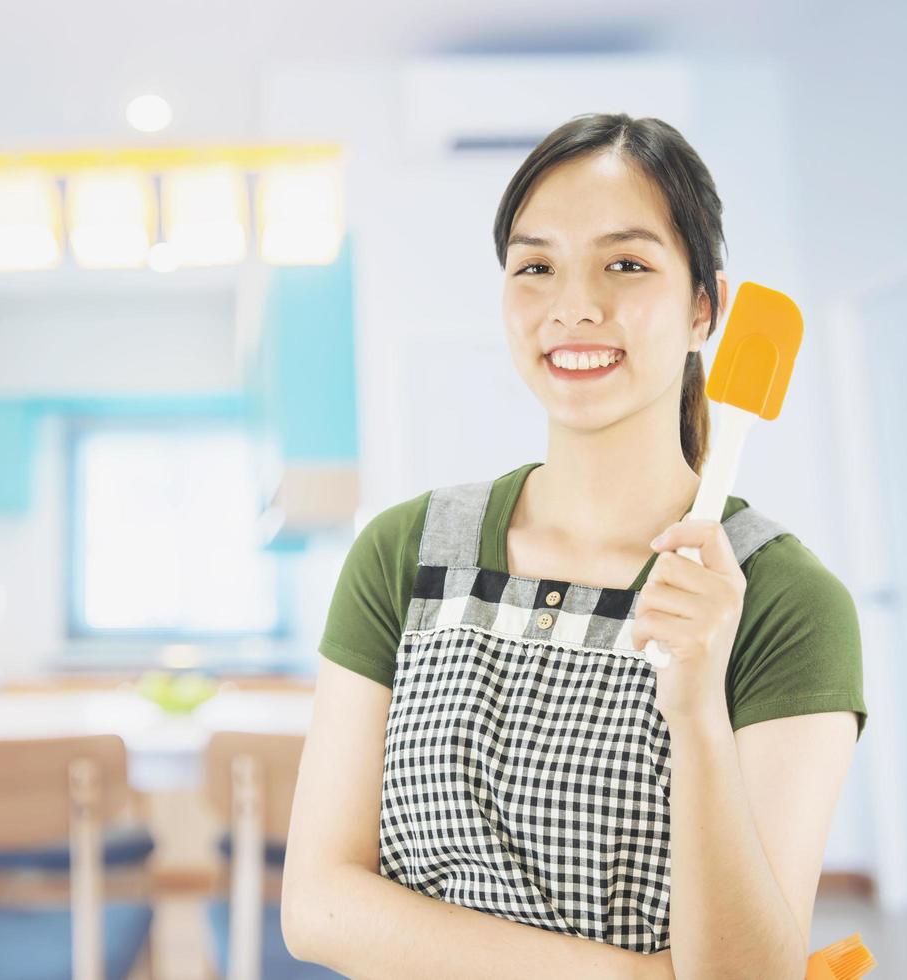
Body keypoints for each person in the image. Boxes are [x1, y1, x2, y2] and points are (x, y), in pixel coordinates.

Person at [280, 112, 868, 980]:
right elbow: (318, 905)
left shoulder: (785, 602)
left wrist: (697, 710)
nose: (575, 306)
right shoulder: (405, 552)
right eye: (536, 266)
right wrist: (632, 977)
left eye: (626, 263)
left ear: (707, 306)